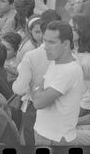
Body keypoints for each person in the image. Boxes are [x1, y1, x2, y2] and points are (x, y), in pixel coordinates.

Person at [30, 21, 84, 146]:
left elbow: (38, 102)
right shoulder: (56, 62)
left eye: (51, 42)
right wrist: (39, 89)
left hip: (56, 139)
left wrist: (37, 89)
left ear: (66, 44)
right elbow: (38, 87)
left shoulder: (69, 70)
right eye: (45, 41)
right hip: (45, 134)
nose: (45, 47)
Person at [12, 10, 61, 146]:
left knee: (31, 140)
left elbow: (20, 88)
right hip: (59, 105)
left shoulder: (32, 55)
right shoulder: (69, 52)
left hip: (35, 104)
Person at [72, 15, 90, 116]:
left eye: (73, 29)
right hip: (75, 99)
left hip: (85, 105)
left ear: (82, 32)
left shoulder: (88, 60)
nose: (68, 31)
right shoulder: (74, 50)